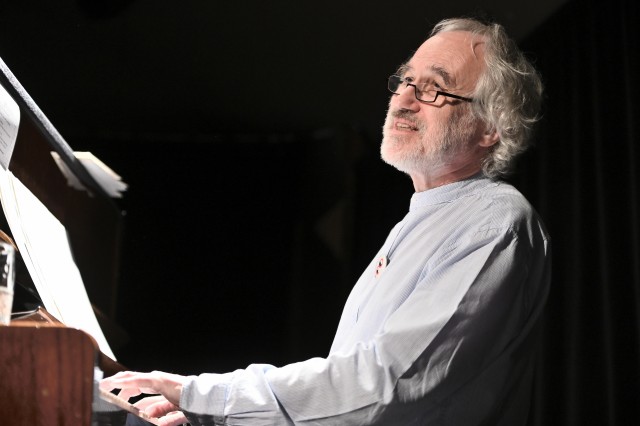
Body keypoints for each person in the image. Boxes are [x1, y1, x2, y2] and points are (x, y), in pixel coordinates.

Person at [101, 17, 551, 426]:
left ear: (491, 126)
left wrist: (203, 397)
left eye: (434, 88)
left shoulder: (493, 220)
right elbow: (346, 397)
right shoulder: (420, 222)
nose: (404, 99)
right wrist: (208, 413)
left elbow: (388, 385)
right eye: (405, 80)